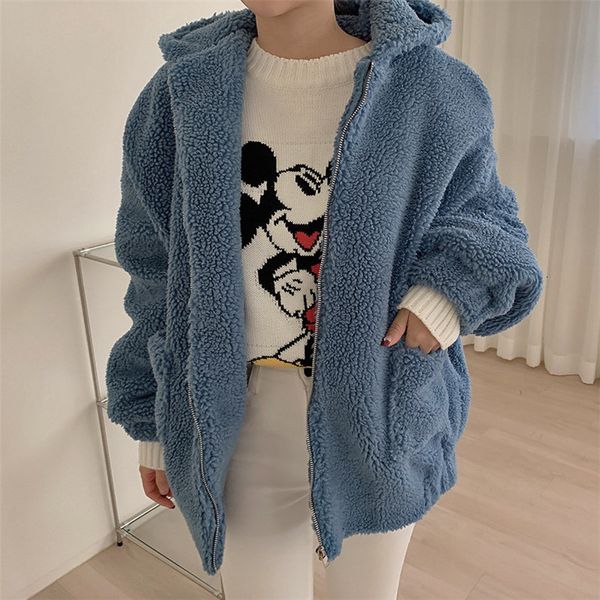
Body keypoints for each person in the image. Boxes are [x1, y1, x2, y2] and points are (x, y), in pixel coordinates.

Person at [105, 0, 544, 598]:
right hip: (235, 417)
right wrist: (155, 419)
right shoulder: (180, 94)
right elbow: (153, 268)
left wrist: (445, 294)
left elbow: (487, 223)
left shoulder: (432, 87)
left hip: (381, 406)